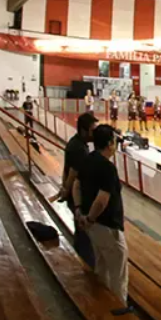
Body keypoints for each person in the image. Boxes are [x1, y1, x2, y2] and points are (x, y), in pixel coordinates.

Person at [74, 124, 128, 304]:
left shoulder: (87, 159)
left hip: (93, 227)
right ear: (109, 144)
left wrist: (78, 209)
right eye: (114, 141)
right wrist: (89, 218)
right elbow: (102, 199)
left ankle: (102, 308)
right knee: (118, 277)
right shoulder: (108, 168)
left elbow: (76, 185)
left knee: (102, 268)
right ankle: (119, 315)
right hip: (108, 227)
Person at [56, 111, 98, 268]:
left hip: (73, 196)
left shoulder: (74, 143)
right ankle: (86, 266)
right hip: (77, 198)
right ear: (84, 130)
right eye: (93, 130)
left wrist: (64, 186)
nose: (95, 134)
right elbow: (73, 173)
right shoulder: (79, 149)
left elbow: (66, 170)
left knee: (81, 233)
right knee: (84, 234)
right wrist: (66, 190)